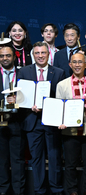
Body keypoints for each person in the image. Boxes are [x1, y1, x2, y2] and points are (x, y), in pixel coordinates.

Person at [18, 42, 66, 195]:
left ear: (48, 54)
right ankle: (39, 190)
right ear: (33, 55)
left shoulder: (58, 72)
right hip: (32, 120)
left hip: (51, 121)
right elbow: (20, 97)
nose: (40, 56)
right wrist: (28, 105)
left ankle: (56, 189)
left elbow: (60, 98)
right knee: (36, 158)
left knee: (54, 158)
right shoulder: (24, 72)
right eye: (37, 53)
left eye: (43, 53)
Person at [55, 52, 86, 195]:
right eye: (74, 62)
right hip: (70, 131)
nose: (77, 65)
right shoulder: (62, 85)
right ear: (70, 65)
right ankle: (72, 191)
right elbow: (59, 108)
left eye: (80, 62)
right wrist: (61, 121)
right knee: (70, 165)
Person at [0, 45, 26, 195]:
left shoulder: (23, 73)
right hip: (0, 120)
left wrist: (19, 99)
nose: (5, 58)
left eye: (8, 55)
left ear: (14, 57)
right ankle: (3, 191)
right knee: (1, 161)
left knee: (17, 160)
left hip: (17, 120)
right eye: (2, 56)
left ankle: (19, 192)